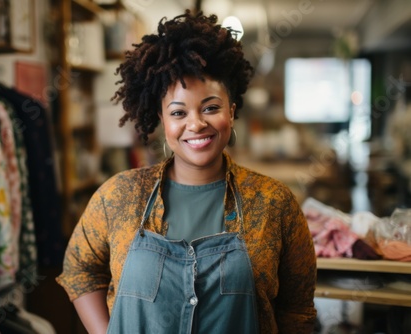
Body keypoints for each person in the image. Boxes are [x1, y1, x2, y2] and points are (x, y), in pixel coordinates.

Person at [56, 10, 317, 334]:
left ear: (232, 112)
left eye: (210, 107)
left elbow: (298, 312)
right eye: (178, 112)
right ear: (162, 119)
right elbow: (79, 268)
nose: (196, 124)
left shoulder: (274, 204)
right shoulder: (119, 196)